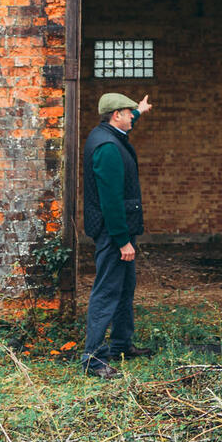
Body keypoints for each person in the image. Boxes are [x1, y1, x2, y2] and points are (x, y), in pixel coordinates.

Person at [80, 91, 155, 379]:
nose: (131, 117)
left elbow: (130, 116)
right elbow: (110, 199)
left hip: (118, 231)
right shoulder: (108, 148)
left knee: (124, 288)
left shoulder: (108, 134)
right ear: (116, 115)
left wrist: (140, 109)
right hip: (113, 234)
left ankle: (121, 345)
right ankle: (93, 358)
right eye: (128, 113)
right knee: (107, 291)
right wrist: (122, 239)